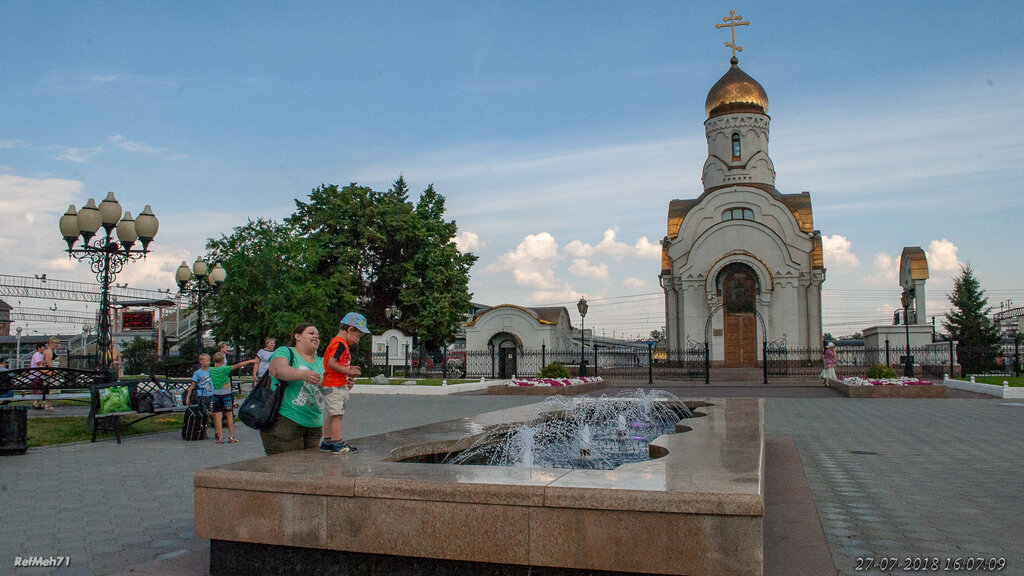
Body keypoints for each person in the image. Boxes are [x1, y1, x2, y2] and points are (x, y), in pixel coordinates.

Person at [260, 323, 325, 455]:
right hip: (286, 423)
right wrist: (304, 374)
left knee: (311, 471)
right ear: (297, 336)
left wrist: (344, 384)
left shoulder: (322, 361)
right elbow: (278, 369)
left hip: (314, 427)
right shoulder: (286, 352)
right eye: (311, 333)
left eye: (317, 335)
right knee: (287, 471)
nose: (316, 337)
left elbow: (327, 389)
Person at [320, 313, 370, 454]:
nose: (358, 340)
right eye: (358, 336)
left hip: (333, 383)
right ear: (350, 330)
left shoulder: (339, 343)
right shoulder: (340, 344)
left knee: (332, 414)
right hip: (334, 384)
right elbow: (332, 363)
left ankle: (327, 442)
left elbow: (336, 364)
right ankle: (338, 444)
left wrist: (348, 370)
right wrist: (348, 372)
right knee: (337, 415)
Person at [208, 352, 257, 444]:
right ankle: (231, 436)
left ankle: (220, 437)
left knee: (217, 416)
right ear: (223, 361)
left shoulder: (211, 370)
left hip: (216, 394)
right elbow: (238, 365)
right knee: (229, 415)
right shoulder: (225, 369)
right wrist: (251, 361)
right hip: (226, 393)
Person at [30, 341, 52, 410]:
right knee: (39, 391)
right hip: (36, 376)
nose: (44, 349)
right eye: (43, 347)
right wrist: (46, 362)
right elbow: (39, 363)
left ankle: (36, 404)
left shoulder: (40, 355)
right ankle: (40, 404)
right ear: (38, 348)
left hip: (38, 376)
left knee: (40, 390)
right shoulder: (37, 354)